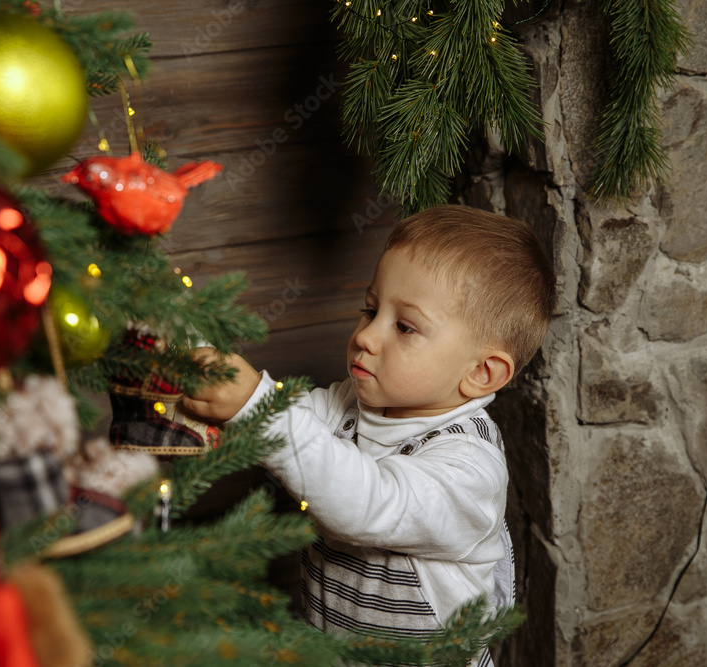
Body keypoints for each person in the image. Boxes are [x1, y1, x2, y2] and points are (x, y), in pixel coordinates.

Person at [183, 204, 556, 665]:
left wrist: (256, 407)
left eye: (404, 326)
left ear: (480, 372)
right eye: (370, 309)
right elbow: (285, 421)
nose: (365, 336)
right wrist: (187, 350)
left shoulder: (469, 467)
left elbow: (368, 504)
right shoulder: (349, 404)